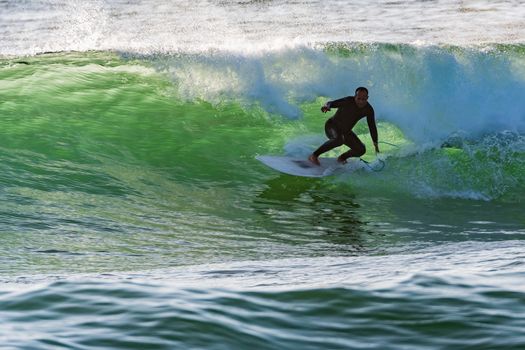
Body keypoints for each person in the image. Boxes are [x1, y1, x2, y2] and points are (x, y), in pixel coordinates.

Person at [308, 87, 379, 166]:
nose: (361, 102)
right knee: (339, 140)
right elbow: (331, 103)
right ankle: (314, 155)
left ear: (367, 98)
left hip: (346, 132)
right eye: (358, 98)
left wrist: (375, 144)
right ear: (354, 97)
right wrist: (327, 106)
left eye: (364, 99)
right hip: (332, 127)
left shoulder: (368, 110)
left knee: (361, 150)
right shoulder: (348, 101)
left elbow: (372, 126)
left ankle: (342, 158)